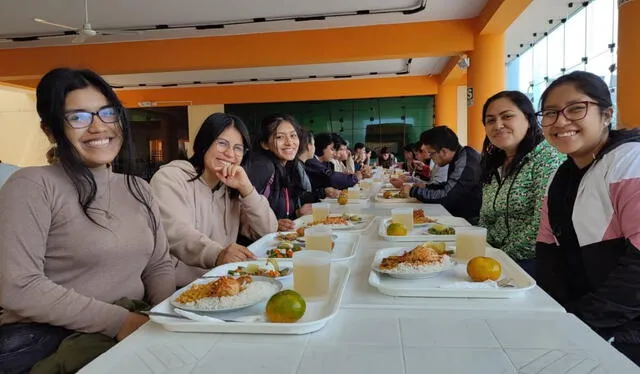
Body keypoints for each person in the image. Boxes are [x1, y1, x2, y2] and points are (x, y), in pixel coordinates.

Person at [0, 68, 175, 373]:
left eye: (107, 113)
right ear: (51, 131)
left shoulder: (138, 187)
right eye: (78, 118)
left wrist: (169, 319)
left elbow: (158, 266)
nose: (98, 127)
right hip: (55, 344)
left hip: (131, 333)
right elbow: (20, 286)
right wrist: (121, 322)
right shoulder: (32, 184)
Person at [535, 71, 640, 365]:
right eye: (550, 113)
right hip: (586, 318)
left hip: (626, 327)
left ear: (606, 114)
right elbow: (547, 248)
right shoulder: (563, 175)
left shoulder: (630, 162)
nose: (560, 121)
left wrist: (584, 320)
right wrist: (559, 314)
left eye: (576, 109)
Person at [150, 113, 278, 286]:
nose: (229, 153)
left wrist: (247, 189)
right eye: (222, 143)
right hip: (179, 288)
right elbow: (176, 233)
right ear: (204, 143)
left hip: (223, 283)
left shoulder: (231, 187)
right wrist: (218, 254)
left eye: (238, 148)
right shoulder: (170, 177)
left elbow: (268, 230)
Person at [478, 91, 564, 276]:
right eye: (490, 120)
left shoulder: (548, 158)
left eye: (507, 116)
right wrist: (480, 248)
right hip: (495, 256)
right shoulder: (495, 163)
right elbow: (486, 217)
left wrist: (499, 256)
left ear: (528, 118)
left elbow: (541, 226)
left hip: (533, 262)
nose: (498, 125)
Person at [245, 114, 312, 232]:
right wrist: (273, 224)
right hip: (256, 245)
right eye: (280, 137)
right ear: (265, 144)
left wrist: (296, 212)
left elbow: (280, 211)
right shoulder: (262, 167)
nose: (289, 142)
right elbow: (244, 212)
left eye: (293, 135)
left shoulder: (288, 166)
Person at [401, 126, 482, 223]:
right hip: (459, 215)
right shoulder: (460, 156)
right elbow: (450, 186)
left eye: (431, 154)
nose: (430, 158)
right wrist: (426, 186)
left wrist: (413, 191)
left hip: (469, 222)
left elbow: (447, 197)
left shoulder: (466, 161)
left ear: (443, 151)